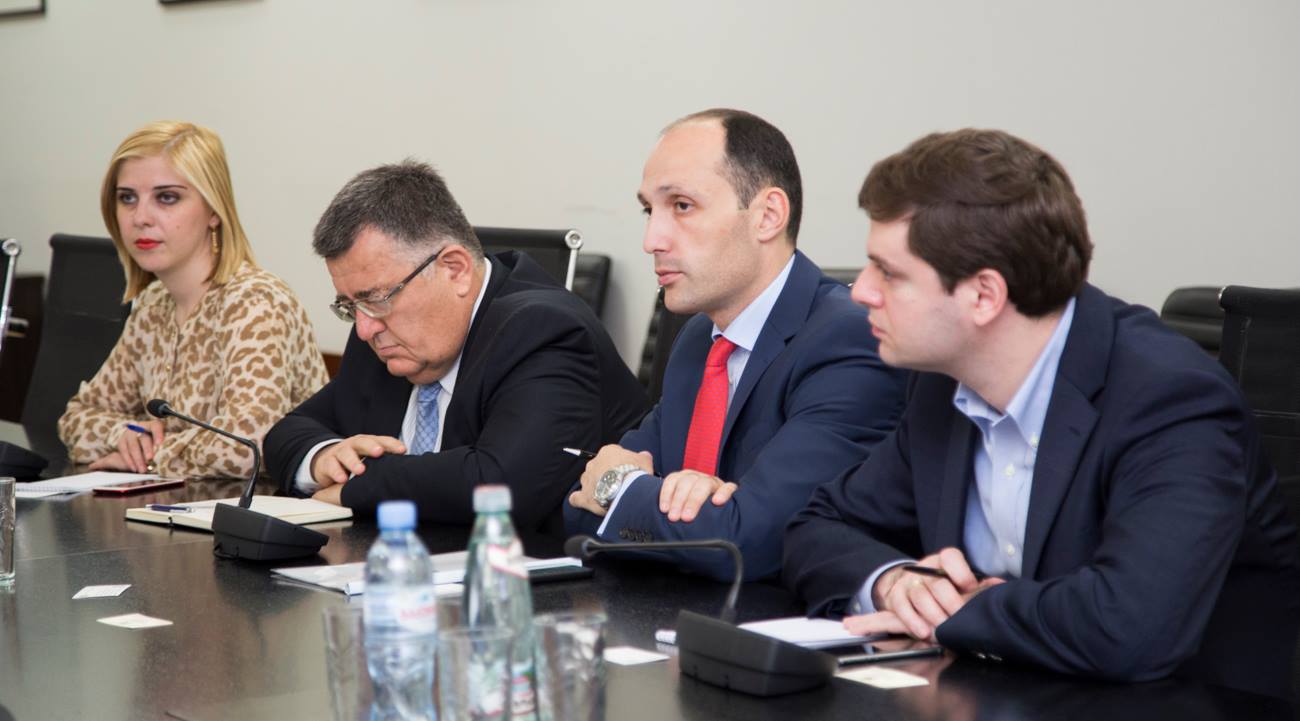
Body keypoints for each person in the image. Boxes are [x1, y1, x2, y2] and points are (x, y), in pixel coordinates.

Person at [783, 128, 1300, 697]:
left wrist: (960, 610)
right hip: (1003, 690)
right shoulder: (942, 383)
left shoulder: (1172, 399)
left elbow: (1130, 626)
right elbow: (819, 526)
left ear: (984, 296)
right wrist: (895, 582)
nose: (861, 291)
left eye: (890, 273)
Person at [565, 109, 906, 581]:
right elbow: (578, 508)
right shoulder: (698, 338)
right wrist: (631, 491)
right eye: (649, 211)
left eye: (682, 206)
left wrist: (619, 485)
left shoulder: (849, 339)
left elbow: (748, 543)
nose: (651, 240)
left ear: (768, 216)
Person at [263, 160, 648, 538]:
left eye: (375, 298)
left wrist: (356, 486)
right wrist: (324, 458)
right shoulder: (382, 328)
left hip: (539, 572)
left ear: (455, 269)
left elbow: (501, 483)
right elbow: (288, 433)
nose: (363, 328)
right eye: (350, 306)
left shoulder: (544, 330)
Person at [58, 120, 328, 479]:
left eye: (167, 197)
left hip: (261, 510)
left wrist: (151, 456)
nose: (140, 218)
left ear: (214, 210)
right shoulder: (154, 304)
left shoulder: (255, 302)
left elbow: (248, 447)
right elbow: (76, 418)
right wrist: (122, 434)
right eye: (127, 198)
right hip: (179, 505)